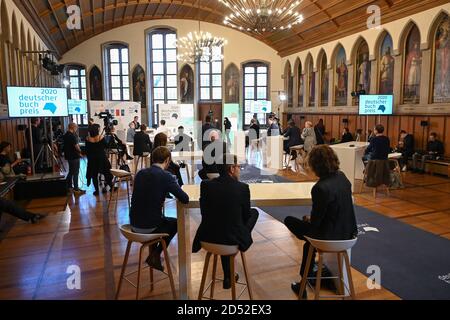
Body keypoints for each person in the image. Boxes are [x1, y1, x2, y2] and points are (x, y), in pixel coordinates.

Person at [284, 145, 357, 297]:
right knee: (307, 244)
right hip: (349, 234)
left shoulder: (320, 188)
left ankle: (302, 285)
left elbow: (316, 223)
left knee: (290, 220)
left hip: (329, 238)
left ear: (315, 165)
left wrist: (309, 220)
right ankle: (303, 282)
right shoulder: (343, 177)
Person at [193, 154, 259, 289]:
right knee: (253, 213)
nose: (240, 169)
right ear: (232, 169)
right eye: (239, 167)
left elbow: (204, 212)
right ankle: (229, 272)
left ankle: (228, 275)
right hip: (231, 240)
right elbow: (246, 216)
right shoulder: (242, 188)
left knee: (223, 221)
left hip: (208, 237)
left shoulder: (205, 185)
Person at [130, 146, 189, 271]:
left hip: (133, 225)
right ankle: (156, 254)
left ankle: (154, 255)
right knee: (176, 223)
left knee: (163, 220)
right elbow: (184, 198)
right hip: (150, 228)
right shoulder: (166, 176)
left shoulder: (140, 173)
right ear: (167, 160)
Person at [85, 124, 114, 196]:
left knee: (94, 175)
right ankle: (111, 186)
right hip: (102, 158)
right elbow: (107, 146)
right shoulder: (101, 137)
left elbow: (87, 150)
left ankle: (97, 191)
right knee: (106, 172)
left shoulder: (87, 139)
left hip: (92, 159)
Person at [63, 123, 85, 195]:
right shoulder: (72, 136)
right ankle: (76, 188)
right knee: (75, 172)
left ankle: (69, 187)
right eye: (76, 127)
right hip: (74, 156)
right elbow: (76, 146)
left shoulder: (66, 135)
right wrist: (81, 152)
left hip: (69, 156)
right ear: (73, 127)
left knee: (71, 171)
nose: (76, 129)